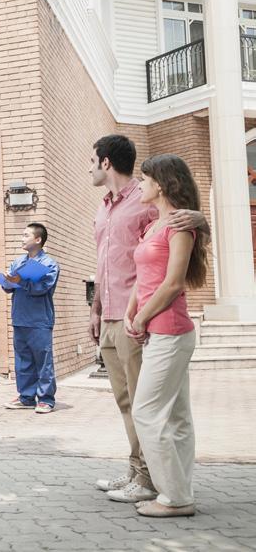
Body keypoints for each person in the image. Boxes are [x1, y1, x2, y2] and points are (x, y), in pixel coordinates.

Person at [88, 134, 206, 504]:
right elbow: (104, 262)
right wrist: (95, 308)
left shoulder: (145, 202)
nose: (89, 168)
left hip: (143, 318)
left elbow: (177, 228)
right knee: (127, 402)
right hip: (112, 314)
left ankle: (150, 479)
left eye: (92, 161)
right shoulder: (103, 209)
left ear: (106, 162)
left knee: (146, 406)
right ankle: (136, 470)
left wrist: (202, 219)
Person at [125, 154, 209, 518]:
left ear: (160, 184)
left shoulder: (180, 226)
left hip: (170, 331)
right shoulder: (153, 226)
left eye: (144, 180)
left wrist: (142, 318)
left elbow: (173, 284)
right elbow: (145, 275)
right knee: (176, 417)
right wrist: (132, 310)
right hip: (156, 331)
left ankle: (174, 498)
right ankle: (180, 493)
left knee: (146, 412)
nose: (140, 186)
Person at [1, 223, 60, 414]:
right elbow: (8, 288)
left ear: (38, 239)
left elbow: (42, 288)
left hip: (39, 320)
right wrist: (7, 281)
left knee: (43, 362)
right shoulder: (18, 262)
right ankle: (26, 397)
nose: (22, 238)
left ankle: (46, 399)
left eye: (26, 235)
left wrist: (21, 282)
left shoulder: (49, 264)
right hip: (20, 318)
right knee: (23, 361)